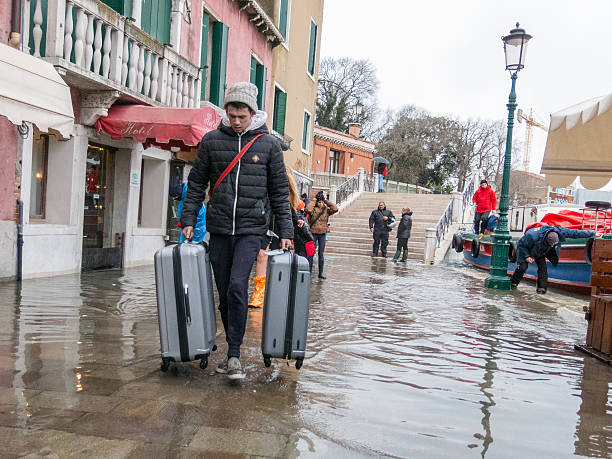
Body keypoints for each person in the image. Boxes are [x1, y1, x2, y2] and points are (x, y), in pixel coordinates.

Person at [180, 82, 293, 380]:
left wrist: (286, 230)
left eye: (241, 116)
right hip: (218, 228)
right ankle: (231, 348)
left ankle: (233, 354)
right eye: (231, 115)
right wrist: (188, 219)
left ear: (252, 112)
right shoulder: (212, 141)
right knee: (224, 294)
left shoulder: (268, 145)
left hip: (251, 229)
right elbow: (195, 185)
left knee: (237, 287)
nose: (236, 121)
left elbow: (280, 192)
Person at [248, 169, 315, 308]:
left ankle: (275, 291)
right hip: (265, 225)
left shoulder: (286, 191)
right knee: (262, 256)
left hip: (280, 228)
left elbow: (289, 209)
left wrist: (297, 221)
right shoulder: (265, 185)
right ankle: (258, 295)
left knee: (277, 259)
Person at [510, 225, 594, 294]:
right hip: (527, 249)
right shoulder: (532, 235)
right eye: (551, 244)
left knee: (543, 268)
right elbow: (521, 244)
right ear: (547, 240)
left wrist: (592, 233)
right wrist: (527, 256)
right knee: (522, 267)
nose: (552, 246)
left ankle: (541, 289)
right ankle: (513, 283)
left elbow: (574, 233)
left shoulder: (559, 231)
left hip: (540, 250)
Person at [304, 190, 338, 279]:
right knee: (310, 253)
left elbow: (335, 208)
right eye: (320, 202)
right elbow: (307, 209)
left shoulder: (326, 210)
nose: (321, 203)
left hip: (322, 233)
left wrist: (326, 200)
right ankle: (309, 271)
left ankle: (320, 273)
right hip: (313, 233)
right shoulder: (313, 210)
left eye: (322, 202)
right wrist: (315, 200)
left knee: (321, 254)